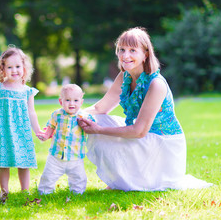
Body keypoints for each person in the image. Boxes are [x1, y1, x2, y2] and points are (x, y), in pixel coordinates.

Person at [77, 27, 212, 191]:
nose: (125, 56)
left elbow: (139, 131)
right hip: (145, 136)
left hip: (164, 144)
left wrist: (99, 130)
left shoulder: (156, 84)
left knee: (102, 129)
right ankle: (122, 180)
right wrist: (72, 116)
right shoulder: (124, 76)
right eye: (122, 50)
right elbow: (100, 107)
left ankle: (125, 181)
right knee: (93, 118)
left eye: (132, 50)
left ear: (145, 54)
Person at [0, 45, 43, 202]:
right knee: (3, 163)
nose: (14, 70)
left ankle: (25, 191)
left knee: (24, 163)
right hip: (3, 130)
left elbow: (32, 112)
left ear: (24, 68)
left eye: (18, 66)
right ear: (2, 69)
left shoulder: (27, 91)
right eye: (10, 67)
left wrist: (37, 130)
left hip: (22, 131)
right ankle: (4, 191)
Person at [36, 84, 95, 194]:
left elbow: (92, 128)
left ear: (81, 102)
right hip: (56, 156)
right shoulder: (57, 114)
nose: (71, 103)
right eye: (67, 100)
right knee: (48, 176)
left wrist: (89, 126)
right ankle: (45, 192)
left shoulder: (84, 116)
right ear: (61, 101)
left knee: (78, 179)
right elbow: (51, 127)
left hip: (76, 157)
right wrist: (45, 135)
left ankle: (77, 193)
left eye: (76, 100)